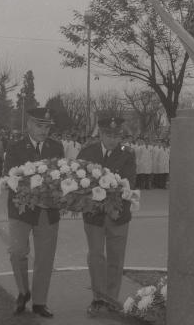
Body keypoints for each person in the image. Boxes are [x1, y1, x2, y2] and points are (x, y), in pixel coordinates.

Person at [3, 108, 64, 318]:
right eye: (40, 125)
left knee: (45, 258)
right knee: (17, 251)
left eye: (47, 127)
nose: (44, 130)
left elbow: (62, 177)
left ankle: (39, 302)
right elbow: (10, 177)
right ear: (29, 124)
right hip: (21, 210)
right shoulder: (15, 147)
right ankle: (23, 291)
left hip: (48, 212)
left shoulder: (56, 147)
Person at [77, 115, 136, 315]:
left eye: (117, 135)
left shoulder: (128, 154)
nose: (113, 139)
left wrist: (113, 205)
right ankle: (98, 299)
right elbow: (79, 183)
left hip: (118, 216)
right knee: (95, 257)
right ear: (100, 133)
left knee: (115, 259)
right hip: (94, 216)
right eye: (109, 135)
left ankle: (111, 299)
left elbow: (129, 184)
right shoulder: (87, 152)